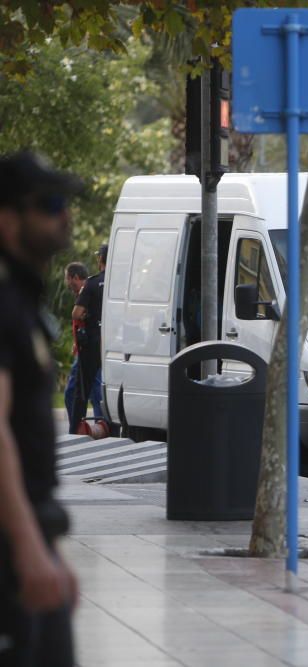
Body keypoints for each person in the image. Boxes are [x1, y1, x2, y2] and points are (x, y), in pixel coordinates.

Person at [0, 150, 81, 666]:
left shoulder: (20, 296)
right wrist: (28, 547)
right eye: (50, 204)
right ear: (7, 218)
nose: (64, 216)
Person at [62, 262, 101, 433]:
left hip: (88, 348)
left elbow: (78, 315)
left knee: (74, 391)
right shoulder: (91, 288)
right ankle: (99, 425)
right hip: (88, 346)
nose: (67, 283)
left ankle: (78, 427)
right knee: (94, 388)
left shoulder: (89, 289)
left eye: (67, 279)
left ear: (75, 277)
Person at [71, 244, 105, 433]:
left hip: (92, 341)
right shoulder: (119, 281)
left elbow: (76, 313)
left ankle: (75, 428)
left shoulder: (92, 283)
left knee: (82, 388)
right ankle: (110, 425)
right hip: (113, 342)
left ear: (100, 259)